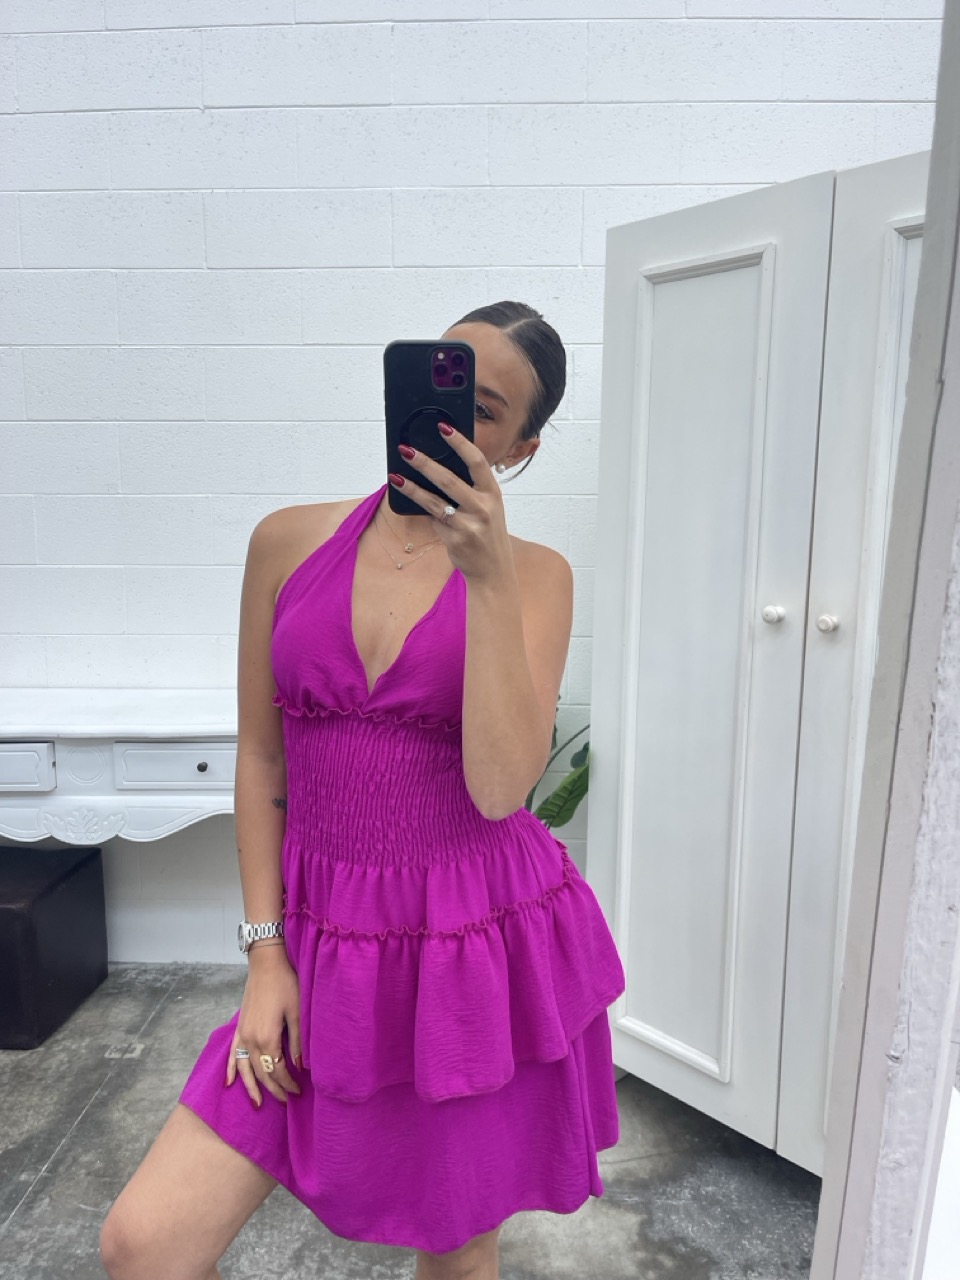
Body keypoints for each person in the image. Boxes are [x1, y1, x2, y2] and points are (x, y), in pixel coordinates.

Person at [99, 301, 626, 1280]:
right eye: (441, 376)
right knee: (143, 1243)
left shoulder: (538, 578)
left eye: (484, 408)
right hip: (318, 939)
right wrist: (266, 957)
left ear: (520, 449)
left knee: (455, 1250)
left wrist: (488, 579)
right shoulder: (287, 541)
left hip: (474, 943)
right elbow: (262, 759)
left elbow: (501, 787)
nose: (450, 415)